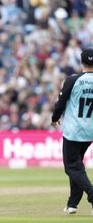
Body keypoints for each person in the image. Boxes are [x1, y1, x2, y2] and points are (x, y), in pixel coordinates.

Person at [51, 48, 93, 215]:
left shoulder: (72, 80)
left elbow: (61, 103)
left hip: (74, 130)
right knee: (77, 166)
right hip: (90, 130)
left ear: (81, 62)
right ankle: (72, 204)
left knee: (71, 167)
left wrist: (54, 118)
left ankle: (92, 195)